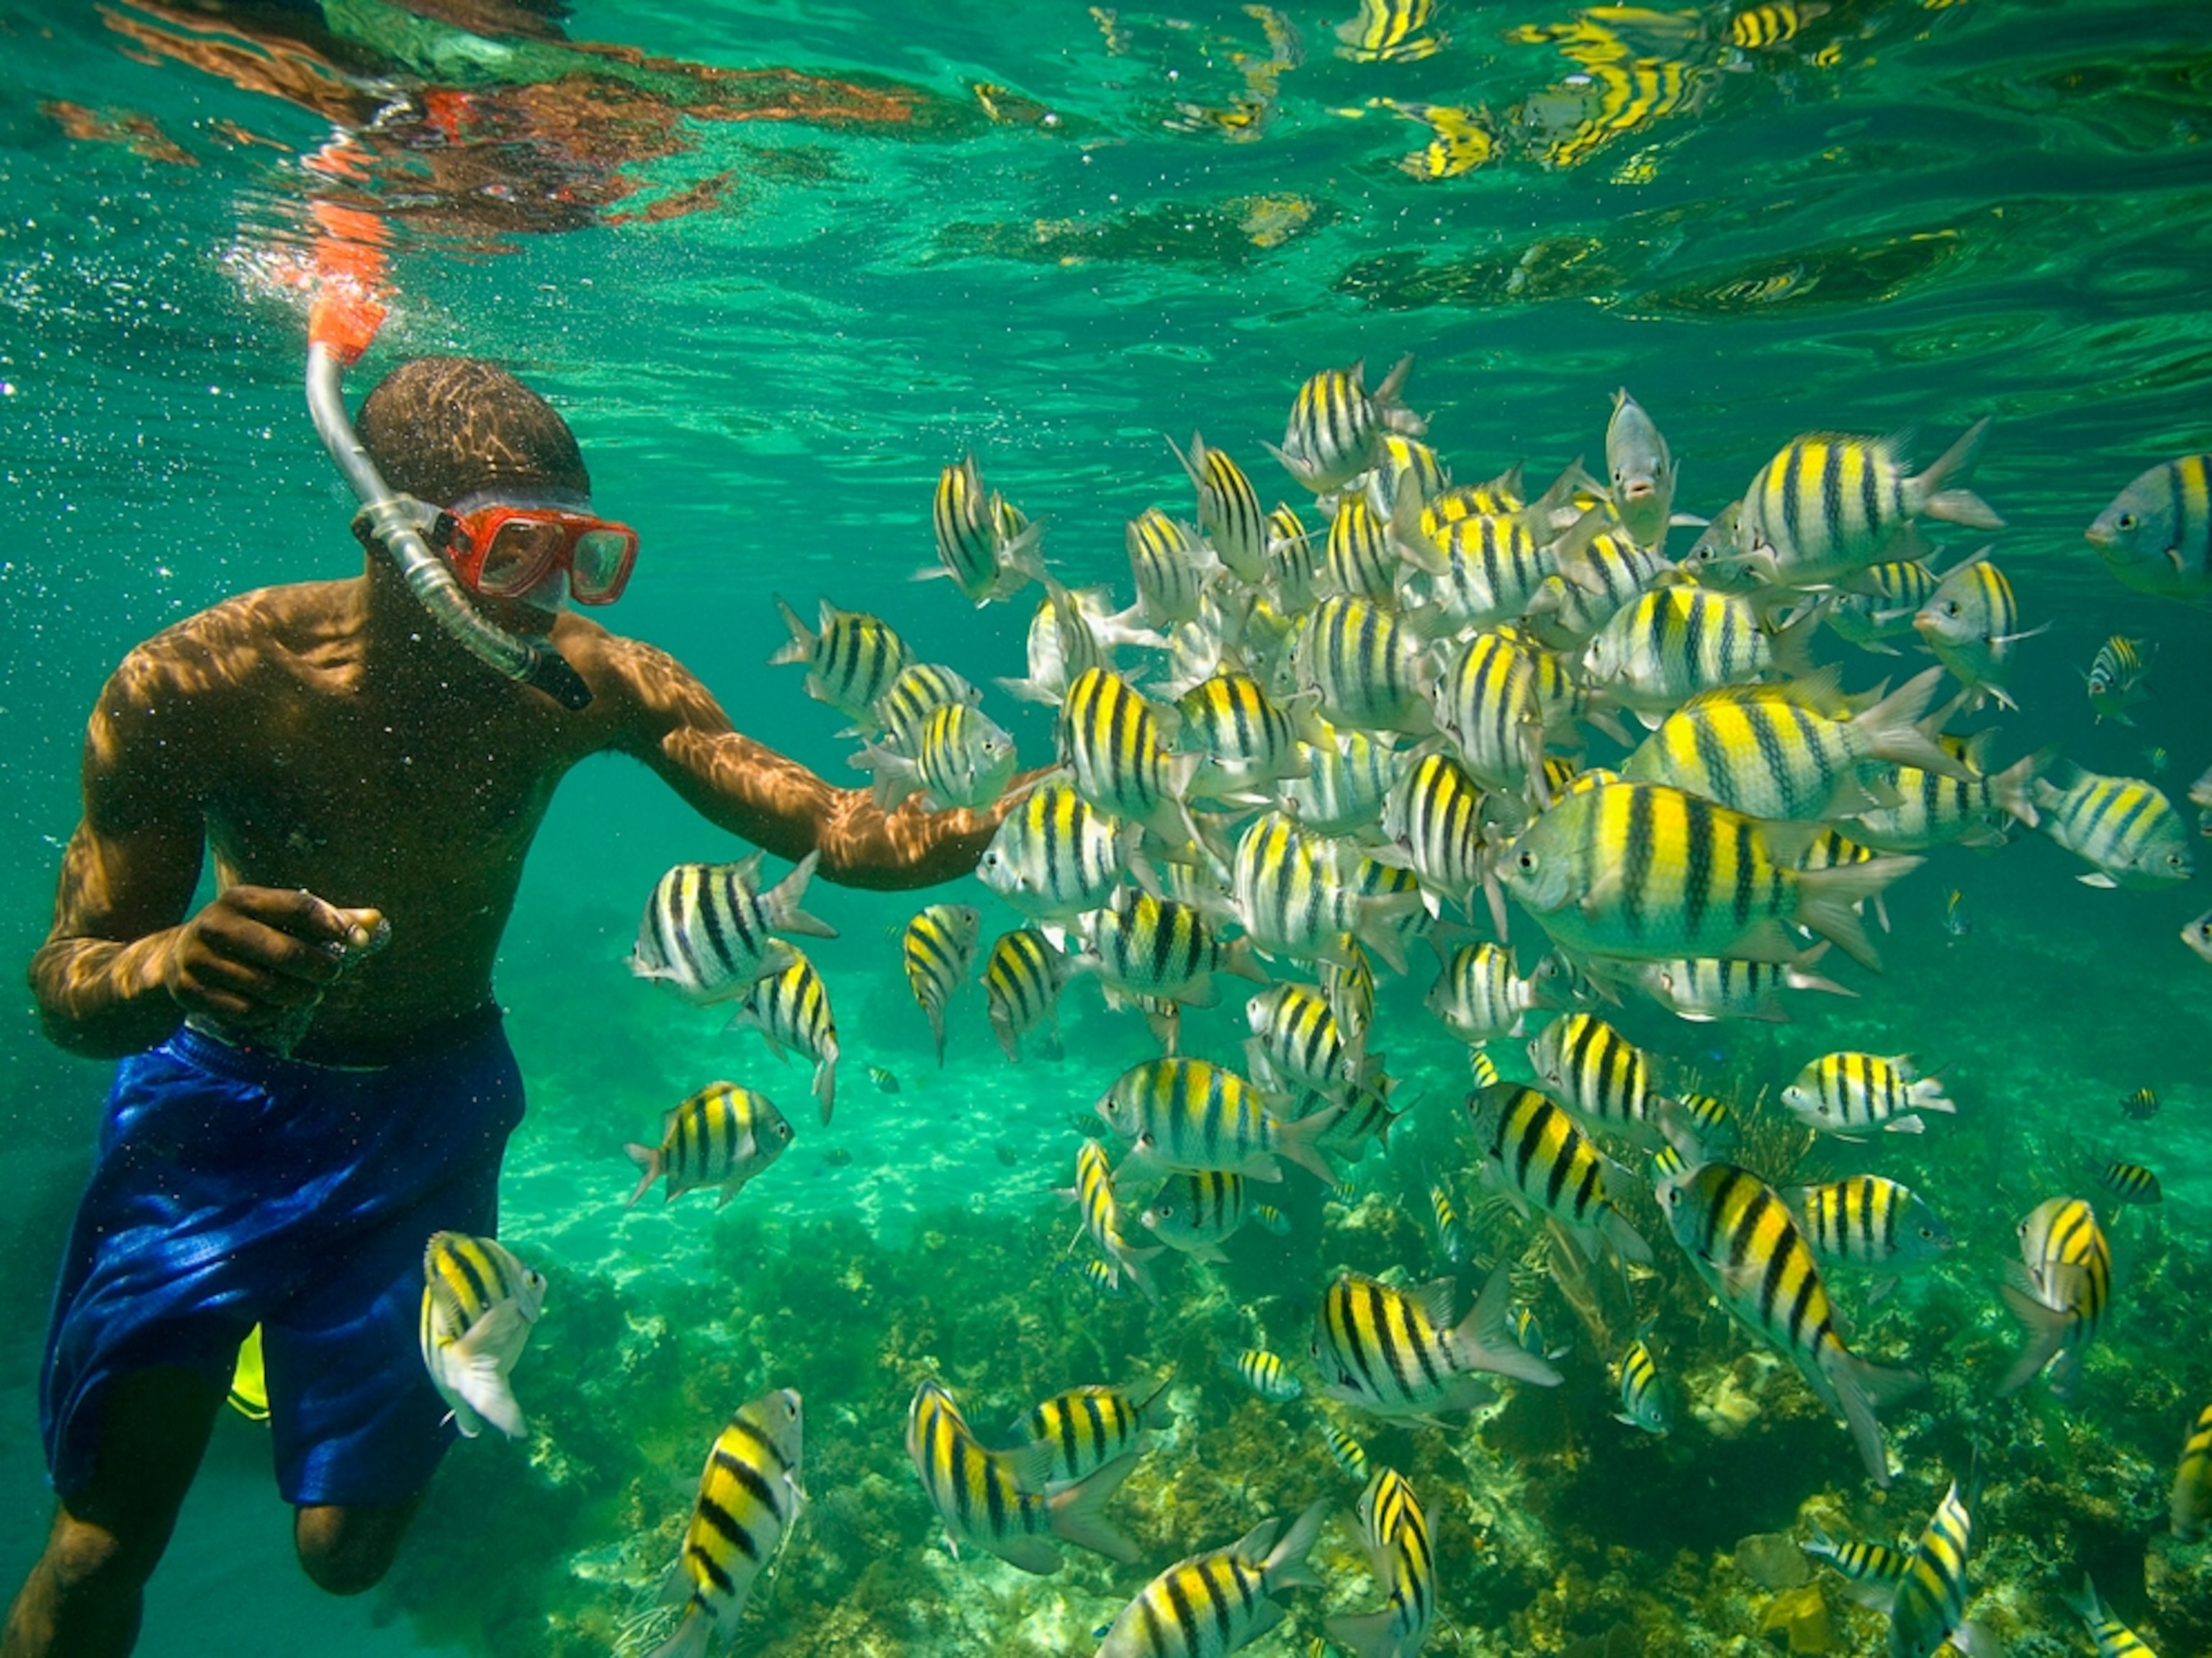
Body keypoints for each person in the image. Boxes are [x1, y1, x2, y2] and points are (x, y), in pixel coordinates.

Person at [5, 356, 1009, 1657]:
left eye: (585, 557)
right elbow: (67, 988)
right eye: (515, 550)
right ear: (395, 537)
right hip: (214, 1112)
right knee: (102, 1546)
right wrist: (174, 963)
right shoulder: (197, 682)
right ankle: (250, 1316)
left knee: (346, 1552)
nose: (551, 597)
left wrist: (984, 826)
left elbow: (824, 820)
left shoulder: (589, 680)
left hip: (433, 1108)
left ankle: (294, 1324)